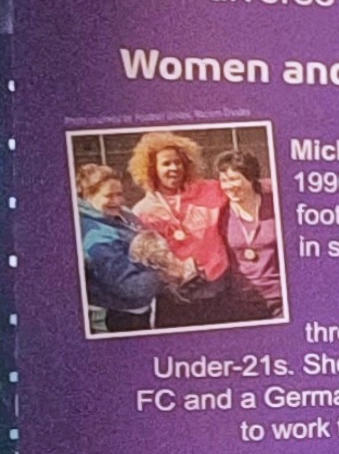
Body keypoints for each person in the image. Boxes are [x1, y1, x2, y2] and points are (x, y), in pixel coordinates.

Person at [128, 130, 265, 327]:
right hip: (176, 299)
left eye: (179, 162)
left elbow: (242, 187)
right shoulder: (142, 211)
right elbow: (146, 261)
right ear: (152, 168)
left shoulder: (209, 190)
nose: (174, 168)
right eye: (166, 163)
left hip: (219, 291)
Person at [76, 163, 182, 332]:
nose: (118, 201)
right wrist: (166, 274)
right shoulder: (94, 236)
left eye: (119, 194)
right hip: (115, 316)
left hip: (140, 311)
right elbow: (132, 287)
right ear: (88, 196)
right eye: (109, 196)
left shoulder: (123, 214)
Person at [213, 147, 284, 317]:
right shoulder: (220, 214)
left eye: (234, 179)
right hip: (241, 300)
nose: (229, 186)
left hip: (281, 298)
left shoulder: (275, 205)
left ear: (251, 177)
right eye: (224, 180)